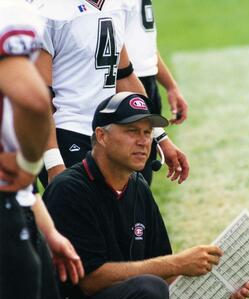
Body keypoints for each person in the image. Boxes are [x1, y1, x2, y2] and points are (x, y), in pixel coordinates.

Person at [44, 92, 249, 299]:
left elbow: (163, 273)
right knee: (148, 289)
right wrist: (178, 263)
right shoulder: (69, 189)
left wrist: (219, 286)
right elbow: (91, 282)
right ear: (101, 136)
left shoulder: (138, 186)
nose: (143, 141)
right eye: (131, 131)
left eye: (147, 132)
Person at [0, 2, 84, 299]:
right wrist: (30, 164)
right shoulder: (12, 12)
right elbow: (35, 101)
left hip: (19, 209)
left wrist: (46, 228)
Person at [32, 0, 189, 187]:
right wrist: (53, 163)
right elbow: (39, 99)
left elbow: (124, 76)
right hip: (67, 132)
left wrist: (160, 137)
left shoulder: (116, 5)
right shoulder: (47, 13)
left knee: (127, 209)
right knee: (84, 213)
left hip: (108, 133)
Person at [125, 0, 189, 184]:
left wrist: (170, 86)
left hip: (146, 84)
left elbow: (143, 44)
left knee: (140, 186)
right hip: (123, 88)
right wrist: (160, 135)